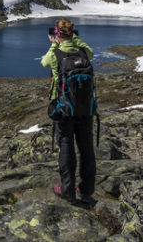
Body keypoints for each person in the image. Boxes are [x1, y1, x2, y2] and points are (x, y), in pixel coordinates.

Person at [41, 18, 96, 204]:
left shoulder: (55, 53)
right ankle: (86, 188)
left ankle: (67, 190)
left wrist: (53, 45)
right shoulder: (83, 51)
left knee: (66, 145)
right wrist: (75, 40)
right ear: (72, 33)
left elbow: (45, 63)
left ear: (57, 33)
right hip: (86, 108)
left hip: (64, 108)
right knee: (86, 147)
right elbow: (91, 52)